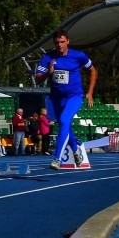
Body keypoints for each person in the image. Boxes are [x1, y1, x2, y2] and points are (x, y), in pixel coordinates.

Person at [35, 30, 97, 170]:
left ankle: (57, 159)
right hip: (57, 98)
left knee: (63, 121)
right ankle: (76, 152)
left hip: (74, 96)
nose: (59, 45)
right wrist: (48, 74)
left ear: (68, 41)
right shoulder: (48, 57)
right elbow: (37, 79)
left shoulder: (78, 56)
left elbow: (93, 70)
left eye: (62, 42)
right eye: (57, 43)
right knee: (66, 126)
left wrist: (90, 92)